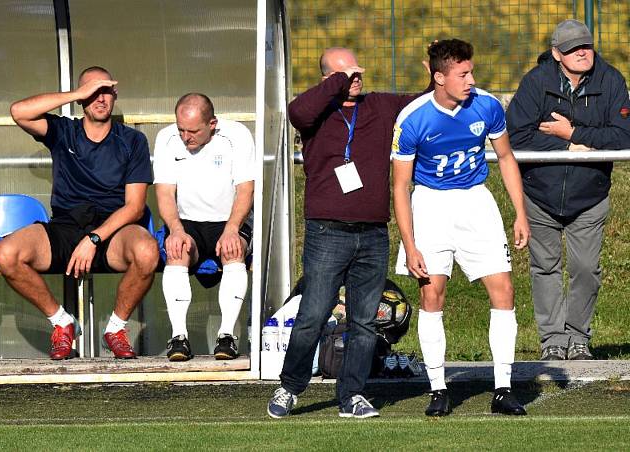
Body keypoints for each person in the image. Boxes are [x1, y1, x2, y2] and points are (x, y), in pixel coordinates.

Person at [267, 47, 426, 420]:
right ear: (327, 79)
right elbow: (297, 112)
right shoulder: (315, 112)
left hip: (372, 233)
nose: (356, 79)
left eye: (358, 73)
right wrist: (339, 80)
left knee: (364, 321)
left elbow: (421, 105)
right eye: (345, 74)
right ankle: (290, 386)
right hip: (327, 233)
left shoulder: (379, 106)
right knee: (314, 313)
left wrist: (435, 77)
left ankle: (352, 394)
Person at [392, 39, 530, 416]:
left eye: (471, 71)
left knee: (503, 290)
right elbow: (400, 186)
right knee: (431, 296)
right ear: (439, 77)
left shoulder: (486, 105)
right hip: (431, 206)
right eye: (463, 74)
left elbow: (504, 156)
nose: (471, 80)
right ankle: (438, 389)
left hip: (476, 203)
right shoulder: (413, 118)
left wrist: (520, 212)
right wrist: (410, 243)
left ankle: (503, 388)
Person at [0, 66, 159, 360]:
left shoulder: (132, 141)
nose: (99, 98)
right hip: (65, 225)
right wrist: (75, 94)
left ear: (115, 94)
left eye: (105, 91)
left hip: (112, 230)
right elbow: (19, 111)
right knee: (6, 254)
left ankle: (116, 329)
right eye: (92, 92)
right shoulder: (64, 131)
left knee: (148, 251)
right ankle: (62, 322)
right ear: (81, 98)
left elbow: (134, 207)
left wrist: (94, 239)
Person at [506, 20, 630, 361]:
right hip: (539, 194)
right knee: (544, 267)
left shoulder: (611, 80)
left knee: (586, 268)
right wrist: (570, 148)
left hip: (590, 196)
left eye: (586, 46)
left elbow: (623, 137)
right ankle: (553, 341)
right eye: (573, 48)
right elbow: (518, 136)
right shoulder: (536, 82)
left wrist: (572, 132)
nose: (582, 53)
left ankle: (578, 337)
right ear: (556, 53)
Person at [153, 93, 255, 361]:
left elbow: (245, 190)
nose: (186, 137)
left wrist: (233, 229)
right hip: (187, 222)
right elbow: (164, 193)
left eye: (193, 131)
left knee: (234, 251)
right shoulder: (166, 138)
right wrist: (175, 230)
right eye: (181, 130)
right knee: (176, 250)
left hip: (229, 220)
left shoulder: (238, 135)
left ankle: (226, 336)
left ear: (212, 124)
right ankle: (179, 338)